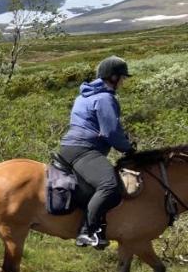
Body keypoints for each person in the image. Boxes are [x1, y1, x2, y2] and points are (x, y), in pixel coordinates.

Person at [58, 56, 136, 249]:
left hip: (69, 147)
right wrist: (128, 148)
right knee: (110, 186)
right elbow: (111, 132)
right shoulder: (105, 98)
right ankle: (88, 232)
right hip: (85, 150)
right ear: (113, 77)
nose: (123, 82)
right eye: (122, 78)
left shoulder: (83, 96)